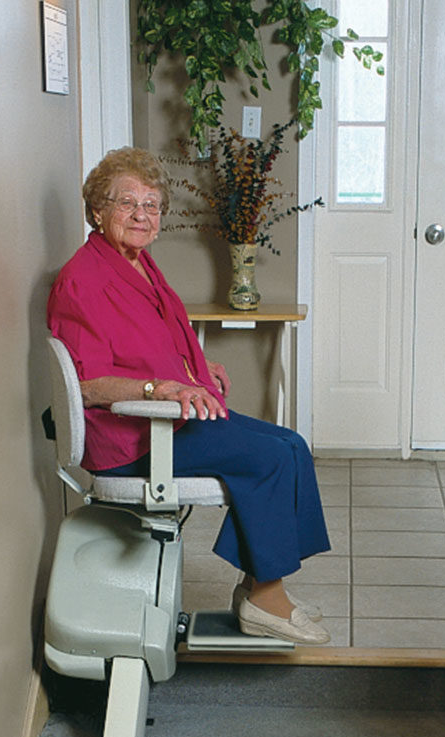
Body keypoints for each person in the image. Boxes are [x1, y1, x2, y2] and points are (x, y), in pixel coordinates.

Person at [47, 146, 331, 645]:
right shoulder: (82, 280)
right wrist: (165, 387)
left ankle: (257, 589)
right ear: (97, 209)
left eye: (152, 204)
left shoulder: (139, 264)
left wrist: (196, 369)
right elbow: (89, 383)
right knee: (267, 458)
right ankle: (266, 598)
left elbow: (149, 343)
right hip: (134, 438)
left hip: (171, 415)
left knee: (290, 444)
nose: (142, 214)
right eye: (127, 202)